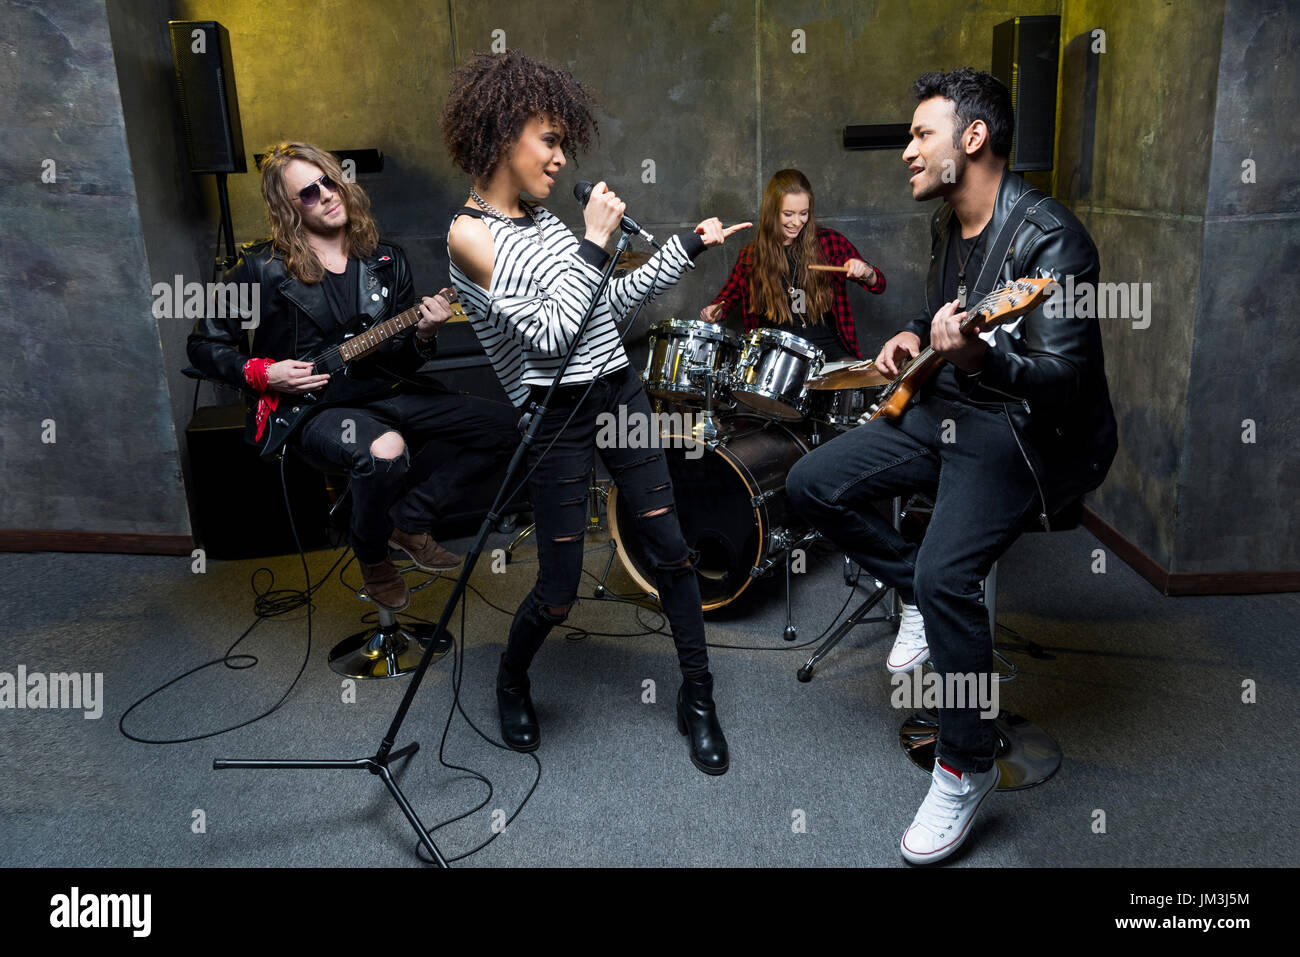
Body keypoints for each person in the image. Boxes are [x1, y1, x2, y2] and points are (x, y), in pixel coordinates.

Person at [786, 69, 1117, 863]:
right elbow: (951, 311)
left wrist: (978, 359)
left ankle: (965, 764)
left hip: (1031, 429)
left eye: (920, 134)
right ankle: (916, 590)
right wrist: (911, 334)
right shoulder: (948, 224)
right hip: (954, 406)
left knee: (946, 575)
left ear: (972, 139)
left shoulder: (1054, 240)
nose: (906, 150)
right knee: (810, 484)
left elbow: (1064, 382)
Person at [441, 50, 751, 775]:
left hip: (616, 389)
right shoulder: (469, 236)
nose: (559, 158)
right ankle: (512, 678)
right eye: (549, 140)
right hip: (555, 413)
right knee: (557, 587)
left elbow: (596, 316)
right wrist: (597, 240)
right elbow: (549, 338)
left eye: (561, 143)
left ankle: (698, 696)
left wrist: (681, 249)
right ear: (502, 132)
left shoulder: (548, 226)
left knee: (671, 549)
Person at [187, 141, 521, 611]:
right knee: (386, 450)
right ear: (287, 208)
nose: (326, 194)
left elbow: (403, 361)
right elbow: (202, 346)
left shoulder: (386, 259)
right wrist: (265, 371)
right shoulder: (259, 268)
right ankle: (372, 553)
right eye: (308, 192)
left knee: (512, 428)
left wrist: (423, 333)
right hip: (312, 409)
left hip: (384, 392)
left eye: (329, 180)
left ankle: (412, 518)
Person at [699, 168, 885, 361]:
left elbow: (879, 285)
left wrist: (865, 271)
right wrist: (714, 310)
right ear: (772, 212)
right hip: (776, 359)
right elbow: (725, 301)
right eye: (788, 214)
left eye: (803, 213)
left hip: (829, 353)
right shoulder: (752, 256)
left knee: (855, 383)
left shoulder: (830, 243)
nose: (797, 222)